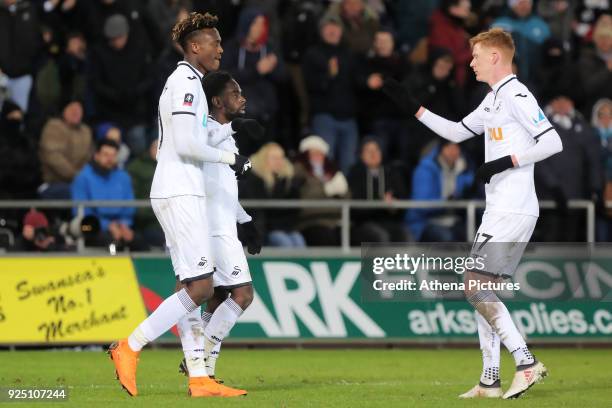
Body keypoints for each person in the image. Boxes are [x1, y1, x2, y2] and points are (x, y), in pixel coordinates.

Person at [382, 27, 563, 399]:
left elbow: (552, 142)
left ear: (495, 56)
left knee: (474, 286)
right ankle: (489, 380)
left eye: (477, 55)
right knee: (485, 292)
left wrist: (506, 161)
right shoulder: (493, 99)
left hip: (512, 206)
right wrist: (413, 107)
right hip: (503, 207)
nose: (471, 62)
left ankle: (525, 363)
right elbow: (455, 131)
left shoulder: (516, 94)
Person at [107, 12, 252, 399]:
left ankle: (200, 377)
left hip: (183, 191)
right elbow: (187, 144)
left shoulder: (192, 83)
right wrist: (229, 158)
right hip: (178, 190)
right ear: (194, 47)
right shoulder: (185, 82)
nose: (220, 48)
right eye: (214, 41)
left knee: (193, 284)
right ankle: (129, 346)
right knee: (202, 287)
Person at [177, 70, 263, 386]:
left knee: (220, 295)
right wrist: (234, 128)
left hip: (223, 224)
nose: (242, 97)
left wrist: (246, 221)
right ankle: (197, 356)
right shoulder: (207, 132)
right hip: (212, 229)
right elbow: (205, 140)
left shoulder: (225, 137)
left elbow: (220, 188)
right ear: (216, 101)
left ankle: (205, 370)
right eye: (234, 92)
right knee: (242, 294)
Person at [70, 139, 137, 249]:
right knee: (113, 243)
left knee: (139, 242)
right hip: (91, 226)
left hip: (121, 225)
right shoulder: (82, 178)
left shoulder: (124, 177)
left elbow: (129, 208)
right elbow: (81, 212)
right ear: (96, 155)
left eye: (113, 155)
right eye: (106, 155)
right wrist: (107, 225)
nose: (110, 159)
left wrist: (123, 225)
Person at [407, 140, 474, 242]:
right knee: (446, 238)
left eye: (456, 147)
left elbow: (472, 192)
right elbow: (421, 205)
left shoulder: (465, 170)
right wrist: (446, 202)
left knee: (473, 236)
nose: (453, 151)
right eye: (449, 147)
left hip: (454, 220)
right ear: (441, 150)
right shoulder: (425, 170)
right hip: (426, 222)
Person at [241, 142, 306, 247]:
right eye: (274, 158)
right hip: (264, 229)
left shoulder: (287, 181)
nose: (279, 161)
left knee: (299, 239)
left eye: (281, 158)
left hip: (285, 227)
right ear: (264, 159)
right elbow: (257, 211)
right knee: (283, 241)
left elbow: (294, 209)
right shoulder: (254, 180)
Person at [347, 139, 410, 243]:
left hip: (388, 220)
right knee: (380, 236)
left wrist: (394, 203)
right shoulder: (355, 174)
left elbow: (402, 197)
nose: (373, 154)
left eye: (376, 150)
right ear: (361, 155)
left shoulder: (390, 172)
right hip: (363, 223)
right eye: (369, 151)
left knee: (404, 235)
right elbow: (355, 206)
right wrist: (380, 202)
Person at [293, 135, 350, 246]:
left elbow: (348, 197)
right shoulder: (299, 171)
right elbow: (304, 195)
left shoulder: (332, 171)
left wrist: (343, 191)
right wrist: (325, 190)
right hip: (311, 221)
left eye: (320, 153)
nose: (317, 157)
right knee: (324, 236)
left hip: (336, 220)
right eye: (313, 153)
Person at [39, 100, 92, 199]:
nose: (76, 112)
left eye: (79, 109)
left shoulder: (86, 131)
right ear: (63, 110)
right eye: (72, 108)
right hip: (55, 181)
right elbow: (53, 157)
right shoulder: (54, 126)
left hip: (81, 181)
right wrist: (77, 176)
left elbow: (89, 157)